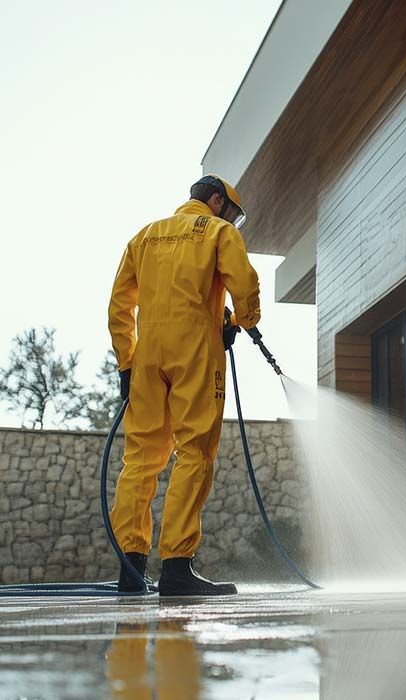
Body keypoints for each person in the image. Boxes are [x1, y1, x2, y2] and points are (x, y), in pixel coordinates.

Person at [108, 175, 260, 596]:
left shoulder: (145, 236)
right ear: (216, 200)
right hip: (195, 353)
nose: (231, 217)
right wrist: (243, 321)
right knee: (194, 452)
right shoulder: (218, 231)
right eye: (230, 209)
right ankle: (176, 569)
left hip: (148, 360)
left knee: (139, 460)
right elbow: (243, 285)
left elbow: (120, 303)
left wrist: (126, 362)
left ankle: (131, 570)